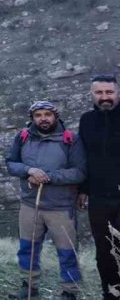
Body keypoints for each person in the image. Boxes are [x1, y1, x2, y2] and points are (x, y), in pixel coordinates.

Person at [5, 101, 85, 299]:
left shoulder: (70, 139)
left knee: (67, 251)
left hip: (61, 206)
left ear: (55, 117)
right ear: (32, 118)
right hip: (30, 204)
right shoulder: (23, 137)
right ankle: (29, 286)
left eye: (47, 114)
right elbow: (11, 163)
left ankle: (69, 291)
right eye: (38, 115)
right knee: (27, 247)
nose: (43, 118)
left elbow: (79, 172)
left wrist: (47, 176)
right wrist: (28, 170)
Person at [77, 74, 120, 298]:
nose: (105, 97)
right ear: (92, 94)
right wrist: (83, 189)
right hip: (99, 198)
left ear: (118, 93)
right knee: (104, 251)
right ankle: (111, 294)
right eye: (99, 93)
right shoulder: (86, 120)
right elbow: (85, 158)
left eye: (109, 92)